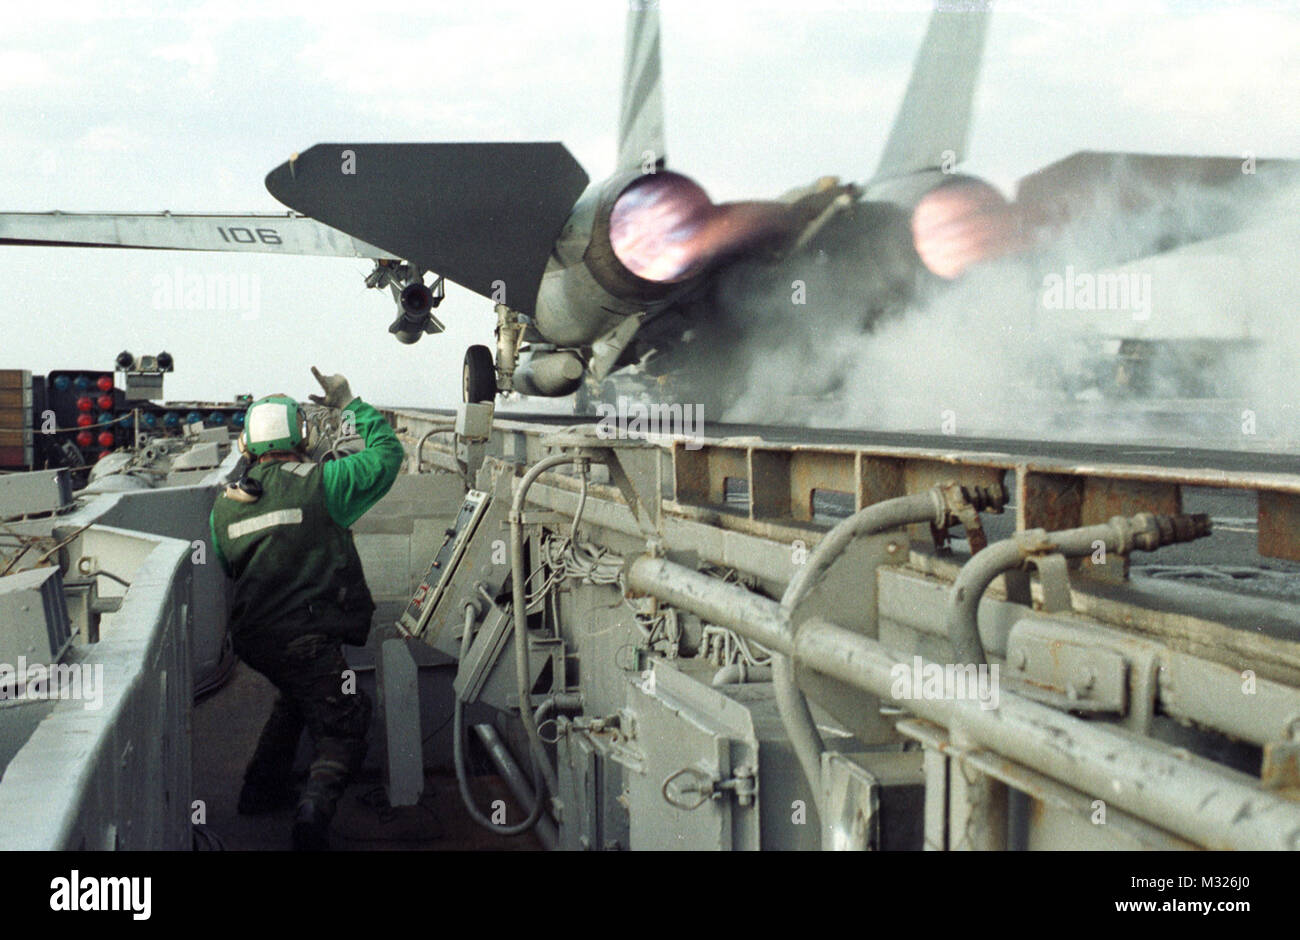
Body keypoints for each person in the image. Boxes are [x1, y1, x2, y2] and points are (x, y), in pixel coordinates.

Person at [209, 367, 403, 850]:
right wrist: (350, 403)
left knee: (297, 695)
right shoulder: (326, 483)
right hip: (307, 640)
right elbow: (388, 455)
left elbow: (229, 566)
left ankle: (260, 790)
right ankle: (311, 820)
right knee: (346, 717)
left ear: (247, 446)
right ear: (303, 435)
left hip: (255, 641)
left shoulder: (224, 508)